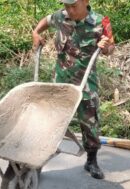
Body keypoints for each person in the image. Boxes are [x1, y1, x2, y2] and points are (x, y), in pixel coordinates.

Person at [32, 0, 114, 179]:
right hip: (60, 81)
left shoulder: (101, 22)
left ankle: (91, 160)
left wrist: (106, 47)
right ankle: (38, 159)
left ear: (85, 1)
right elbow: (46, 20)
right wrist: (36, 32)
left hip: (85, 83)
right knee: (52, 122)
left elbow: (111, 48)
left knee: (89, 122)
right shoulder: (61, 16)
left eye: (73, 6)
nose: (69, 10)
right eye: (66, 6)